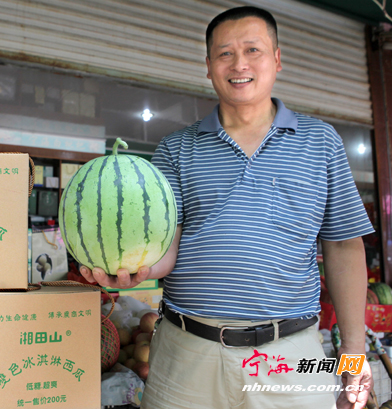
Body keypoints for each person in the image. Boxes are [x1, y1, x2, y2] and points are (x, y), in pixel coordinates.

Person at [80, 6, 374, 409]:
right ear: (208, 66)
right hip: (188, 355)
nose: (239, 64)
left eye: (253, 50)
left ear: (277, 59)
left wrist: (354, 357)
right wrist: (132, 269)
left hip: (290, 354)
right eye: (225, 53)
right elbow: (166, 248)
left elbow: (344, 247)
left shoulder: (320, 142)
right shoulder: (176, 149)